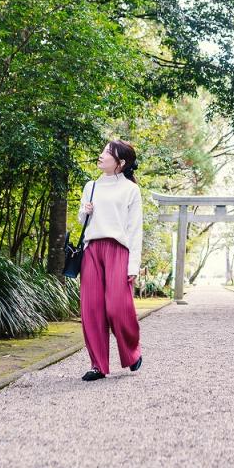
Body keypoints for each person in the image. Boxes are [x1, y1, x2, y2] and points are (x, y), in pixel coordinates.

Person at [77, 139, 144, 381]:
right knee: (91, 309)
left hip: (118, 251)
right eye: (103, 150)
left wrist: (133, 265)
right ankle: (98, 365)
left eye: (107, 152)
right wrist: (85, 211)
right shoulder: (91, 186)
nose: (101, 155)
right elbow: (81, 222)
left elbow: (135, 230)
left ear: (121, 162)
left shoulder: (131, 190)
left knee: (117, 307)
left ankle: (132, 351)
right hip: (92, 249)